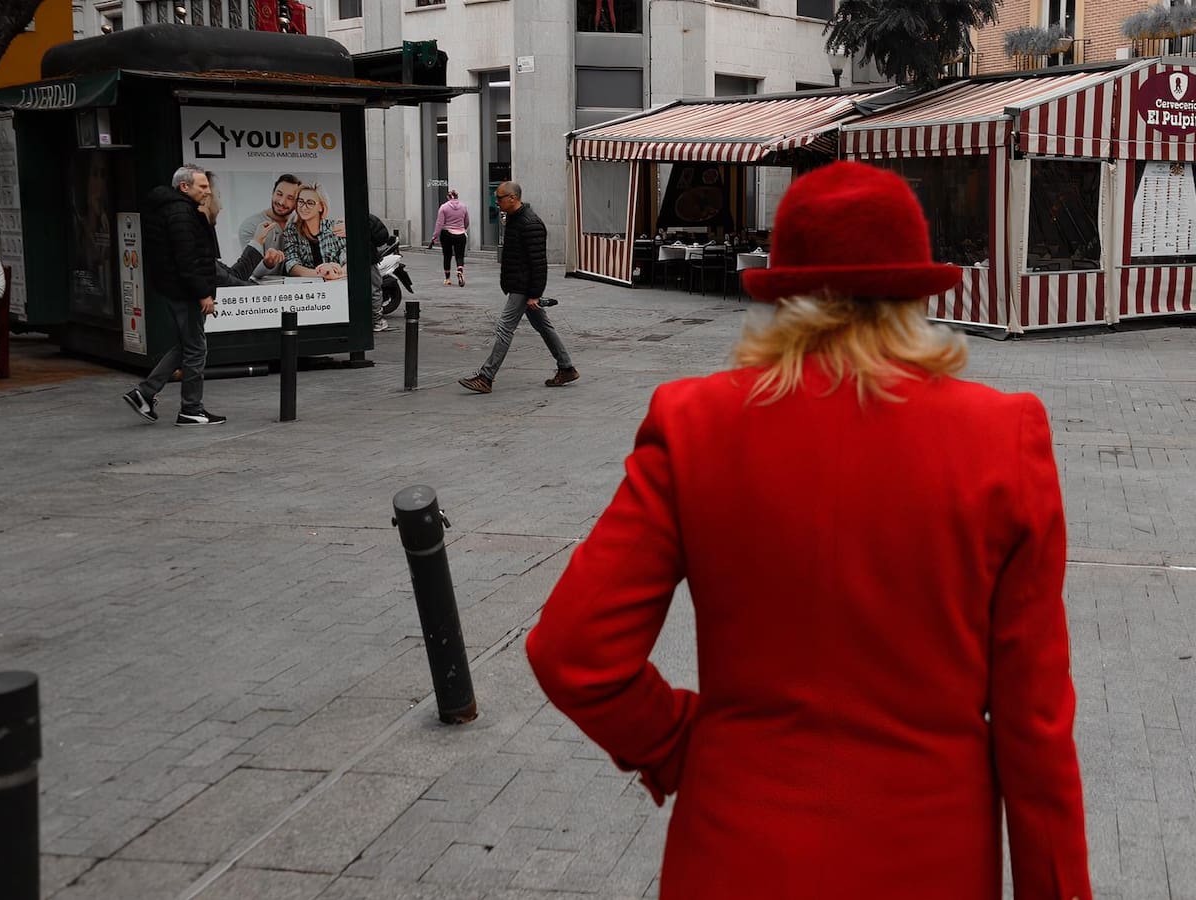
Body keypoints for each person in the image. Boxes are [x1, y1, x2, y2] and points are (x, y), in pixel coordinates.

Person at [526, 161, 1091, 899]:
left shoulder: (694, 424)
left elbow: (573, 651)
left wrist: (676, 744)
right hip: (929, 857)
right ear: (917, 292)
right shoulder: (1002, 438)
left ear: (781, 290)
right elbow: (1036, 728)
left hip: (733, 851)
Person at [122, 164, 225, 426]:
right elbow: (187, 259)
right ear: (184, 186)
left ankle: (144, 393)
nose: (207, 191)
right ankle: (191, 408)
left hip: (173, 288)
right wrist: (203, 294)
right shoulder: (181, 213)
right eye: (202, 186)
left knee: (186, 345)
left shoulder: (171, 208)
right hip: (185, 291)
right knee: (196, 348)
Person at [458, 181, 577, 394]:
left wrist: (534, 295)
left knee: (504, 328)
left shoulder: (531, 223)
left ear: (513, 198)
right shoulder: (513, 220)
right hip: (518, 284)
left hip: (524, 287)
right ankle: (566, 367)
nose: (497, 203)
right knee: (543, 326)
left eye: (500, 198)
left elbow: (539, 263)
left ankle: (486, 376)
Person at [201, 171, 282, 287]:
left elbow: (234, 276)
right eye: (218, 196)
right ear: (206, 199)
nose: (221, 206)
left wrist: (257, 240)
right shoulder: (191, 245)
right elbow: (231, 283)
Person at [238, 174, 299, 279]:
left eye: (290, 198)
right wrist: (267, 263)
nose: (281, 202)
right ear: (273, 193)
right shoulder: (250, 225)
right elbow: (251, 269)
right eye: (279, 194)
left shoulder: (301, 223)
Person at [282, 183, 347, 280]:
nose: (304, 207)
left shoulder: (335, 227)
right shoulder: (291, 230)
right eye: (301, 201)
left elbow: (347, 259)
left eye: (310, 203)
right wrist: (322, 274)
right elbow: (292, 266)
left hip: (336, 284)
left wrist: (337, 273)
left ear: (321, 207)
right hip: (308, 288)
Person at [430, 188, 470, 286]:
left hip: (447, 233)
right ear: (457, 197)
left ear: (448, 197)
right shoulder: (463, 206)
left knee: (447, 255)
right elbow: (467, 221)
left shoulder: (444, 207)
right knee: (459, 255)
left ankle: (447, 279)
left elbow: (439, 223)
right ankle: (460, 269)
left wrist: (434, 237)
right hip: (460, 234)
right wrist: (462, 229)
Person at [368, 213, 391, 332]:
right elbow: (382, 237)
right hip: (368, 258)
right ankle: (376, 321)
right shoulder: (368, 217)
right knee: (374, 289)